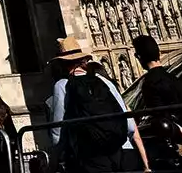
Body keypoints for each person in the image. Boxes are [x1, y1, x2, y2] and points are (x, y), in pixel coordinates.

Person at [48, 38, 150, 173]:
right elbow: (129, 124)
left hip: (91, 156)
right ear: (83, 60)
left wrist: (56, 160)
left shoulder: (62, 86)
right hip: (122, 151)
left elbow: (58, 133)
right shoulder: (104, 81)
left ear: (61, 63)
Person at [131, 35, 182, 168]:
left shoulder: (150, 84)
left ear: (138, 57)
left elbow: (165, 122)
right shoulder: (175, 78)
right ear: (159, 53)